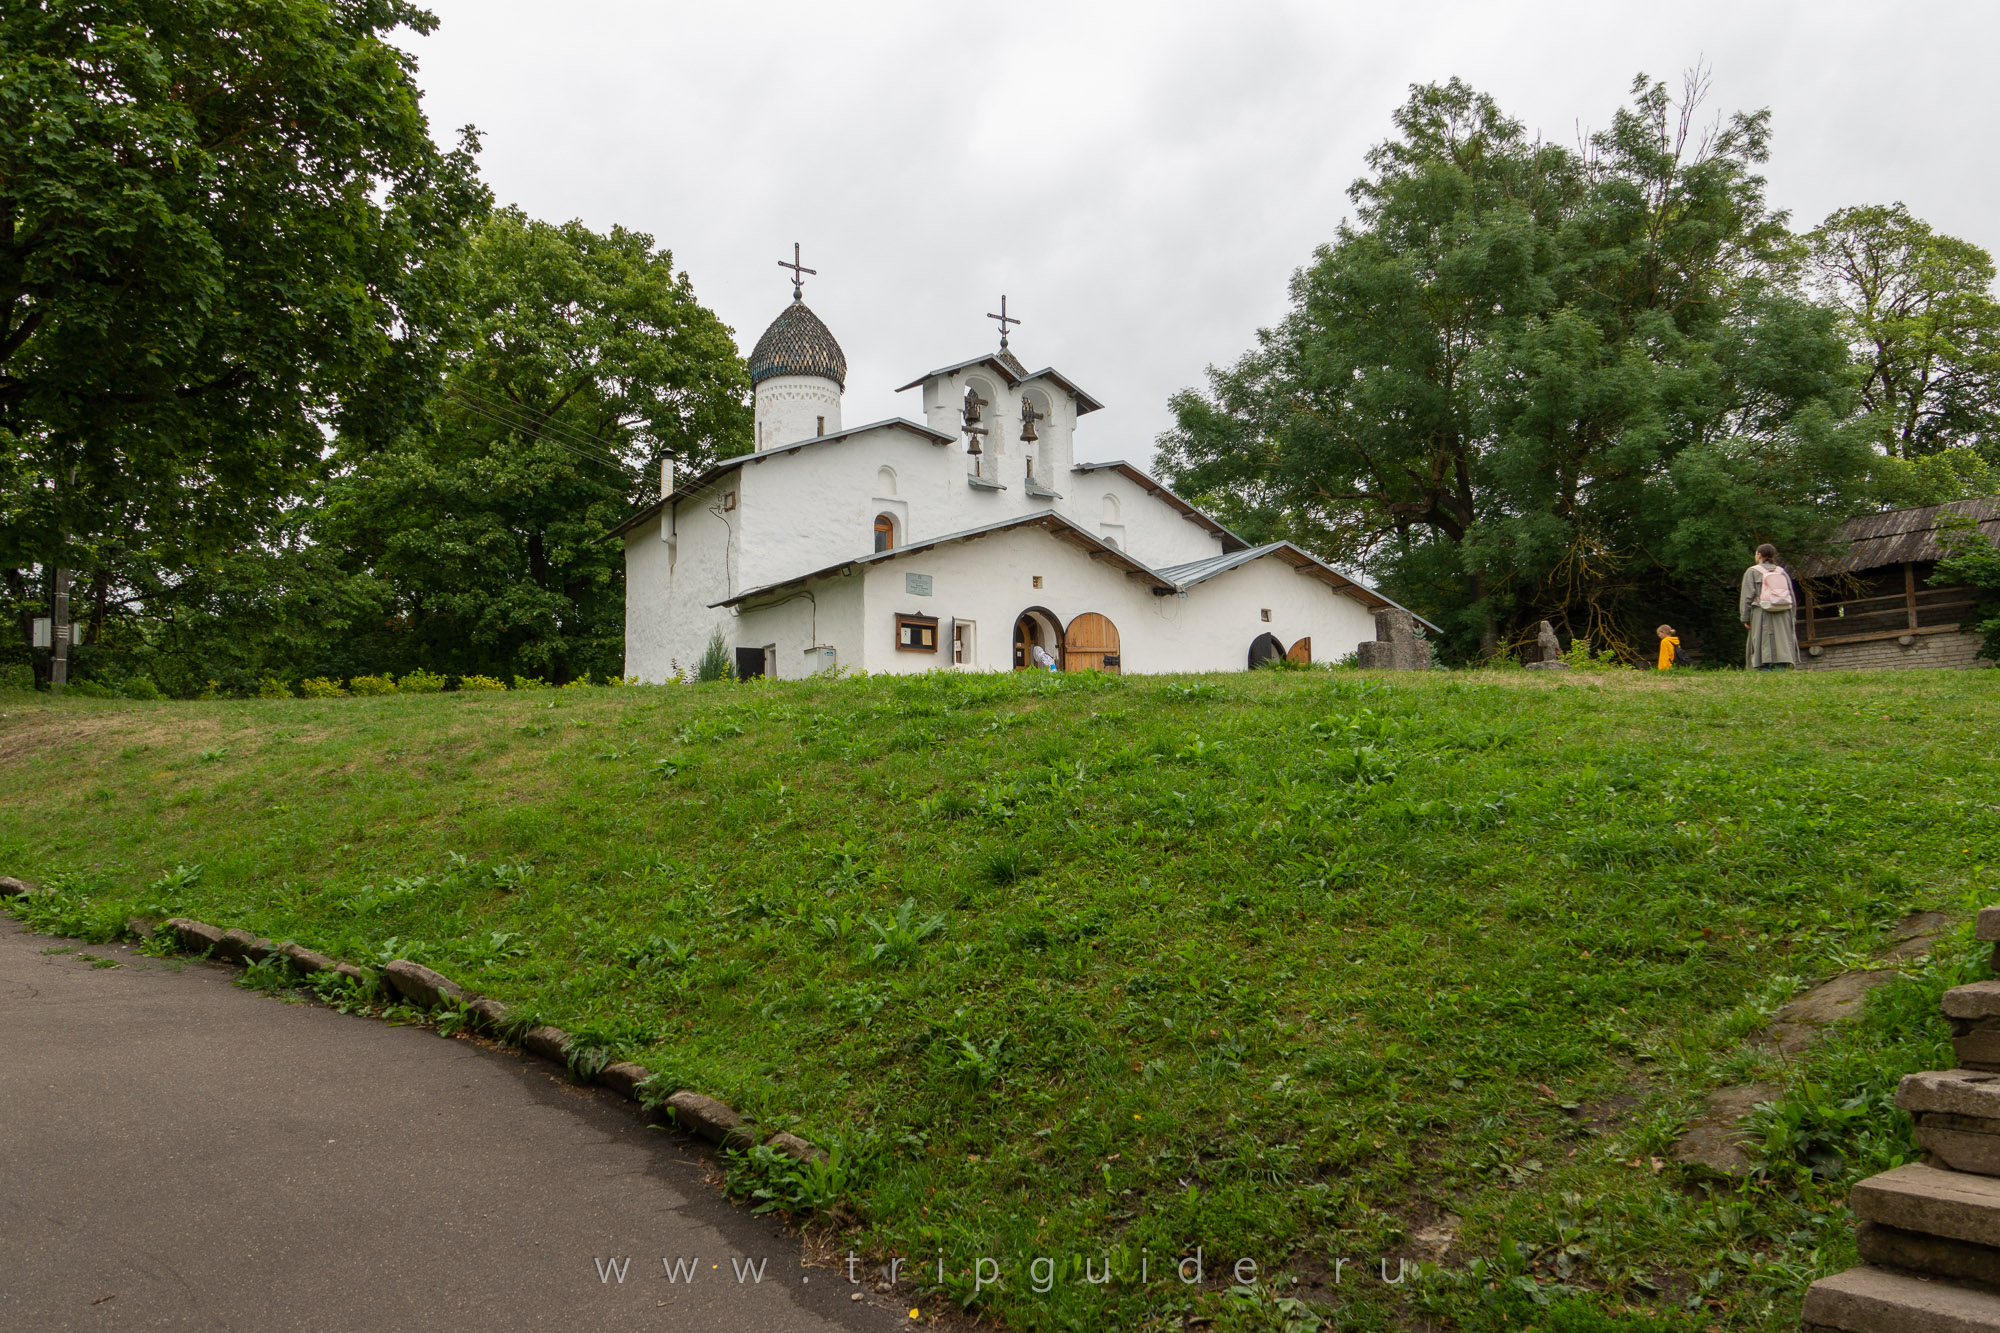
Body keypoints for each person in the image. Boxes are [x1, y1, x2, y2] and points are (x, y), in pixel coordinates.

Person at [1739, 543, 1800, 671]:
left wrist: (1745, 618)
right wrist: (1792, 617)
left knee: (1762, 644)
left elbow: (1747, 597)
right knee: (1782, 644)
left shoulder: (1752, 572)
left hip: (1761, 612)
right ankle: (1781, 669)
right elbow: (1792, 597)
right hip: (1783, 613)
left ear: (1759, 555)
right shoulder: (1782, 572)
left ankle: (1764, 670)